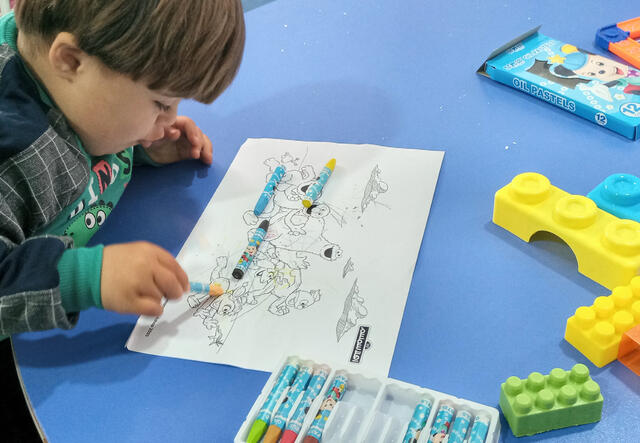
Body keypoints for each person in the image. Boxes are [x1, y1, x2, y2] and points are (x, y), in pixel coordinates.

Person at [0, 0, 245, 336]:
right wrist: (86, 278)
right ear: (71, 61)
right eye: (160, 103)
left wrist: (141, 146)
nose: (172, 119)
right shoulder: (14, 149)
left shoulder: (79, 88)